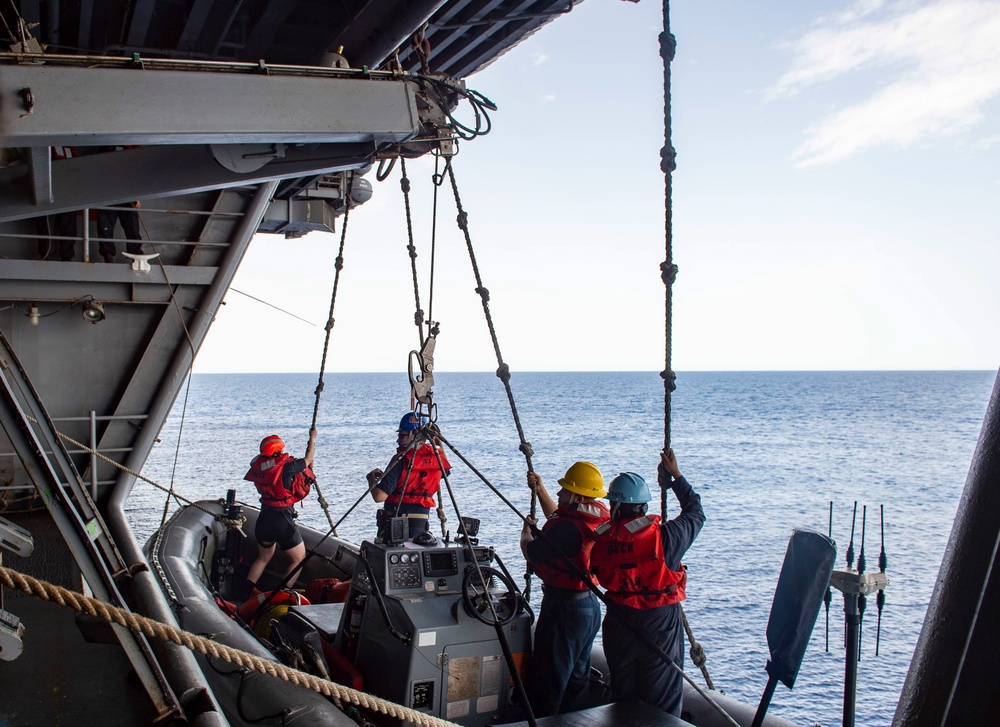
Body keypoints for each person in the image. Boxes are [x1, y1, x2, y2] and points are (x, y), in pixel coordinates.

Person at [589, 449, 705, 717]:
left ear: (615, 507)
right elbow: (696, 512)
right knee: (662, 703)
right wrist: (675, 477)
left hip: (619, 623)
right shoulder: (666, 539)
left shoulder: (601, 541)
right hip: (659, 624)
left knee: (623, 696)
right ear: (643, 506)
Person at [519, 461, 610, 716]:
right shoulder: (595, 518)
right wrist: (541, 490)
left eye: (565, 489)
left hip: (564, 608)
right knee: (576, 679)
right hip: (589, 606)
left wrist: (526, 531)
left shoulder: (569, 530)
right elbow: (558, 517)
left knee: (549, 680)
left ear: (578, 496)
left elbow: (532, 551)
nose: (559, 494)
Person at [242, 429, 317, 597]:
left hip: (264, 518)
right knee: (298, 559)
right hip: (282, 519)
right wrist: (312, 438)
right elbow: (308, 458)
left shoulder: (259, 466)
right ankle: (281, 594)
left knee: (263, 557)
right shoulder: (287, 467)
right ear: (277, 450)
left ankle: (248, 588)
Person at [366, 412, 450, 541]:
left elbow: (379, 496)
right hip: (420, 531)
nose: (398, 440)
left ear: (413, 435)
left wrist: (371, 479)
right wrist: (438, 442)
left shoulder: (400, 460)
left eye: (402, 435)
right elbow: (444, 470)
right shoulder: (436, 459)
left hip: (395, 530)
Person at [96, 146, 144, 262]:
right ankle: (108, 254)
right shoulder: (106, 147)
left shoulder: (132, 148)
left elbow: (137, 170)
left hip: (127, 193)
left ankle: (136, 252)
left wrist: (137, 195)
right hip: (108, 192)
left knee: (132, 224)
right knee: (105, 225)